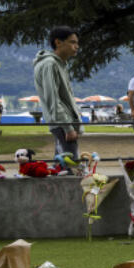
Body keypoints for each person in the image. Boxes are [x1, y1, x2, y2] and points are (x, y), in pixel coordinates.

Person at [33, 26, 83, 165]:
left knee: (61, 165)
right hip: (62, 123)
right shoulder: (50, 64)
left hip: (64, 121)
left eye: (77, 43)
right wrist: (67, 127)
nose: (76, 46)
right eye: (72, 42)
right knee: (69, 164)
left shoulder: (60, 64)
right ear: (58, 42)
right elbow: (53, 99)